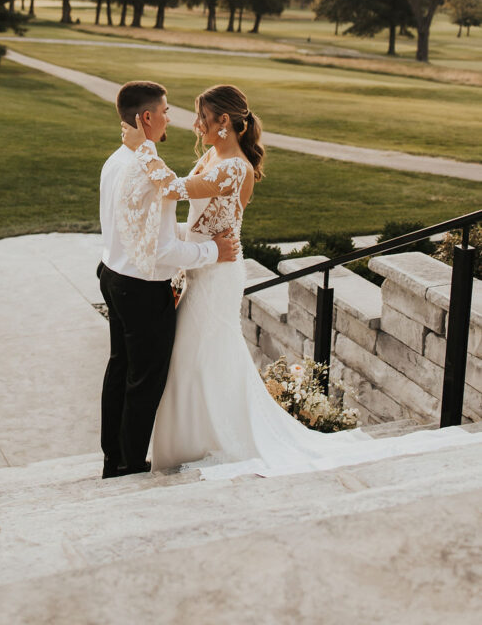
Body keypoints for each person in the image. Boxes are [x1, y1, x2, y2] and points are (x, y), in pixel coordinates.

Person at [122, 83, 482, 478]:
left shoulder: (235, 167)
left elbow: (172, 187)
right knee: (192, 357)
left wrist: (142, 147)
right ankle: (197, 440)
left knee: (202, 355)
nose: (195, 125)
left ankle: (214, 442)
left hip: (217, 277)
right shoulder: (212, 155)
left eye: (202, 118)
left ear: (224, 121)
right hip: (203, 270)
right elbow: (194, 218)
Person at [99, 80, 238, 480]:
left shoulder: (116, 161)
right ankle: (128, 466)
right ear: (146, 117)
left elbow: (136, 229)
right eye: (164, 111)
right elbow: (160, 252)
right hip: (142, 289)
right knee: (144, 381)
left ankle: (114, 458)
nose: (169, 118)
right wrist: (214, 251)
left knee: (119, 371)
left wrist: (185, 234)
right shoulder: (146, 171)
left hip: (113, 275)